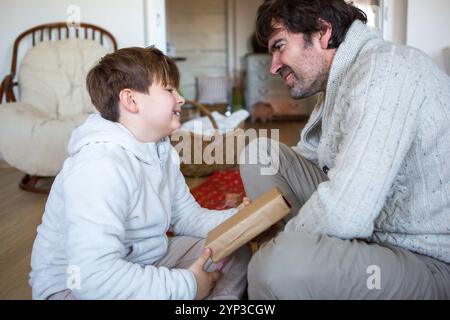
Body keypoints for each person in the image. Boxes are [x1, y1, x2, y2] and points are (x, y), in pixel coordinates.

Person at [240, 0, 450, 299]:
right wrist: (258, 216)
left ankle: (286, 268)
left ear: (322, 32)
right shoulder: (342, 76)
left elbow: (346, 213)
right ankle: (301, 264)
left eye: (280, 46)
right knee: (260, 155)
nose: (273, 66)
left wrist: (284, 241)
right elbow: (313, 156)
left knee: (273, 268)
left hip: (426, 261)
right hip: (374, 233)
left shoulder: (385, 71)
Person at [29, 47, 251, 300]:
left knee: (234, 248)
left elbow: (187, 216)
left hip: (144, 260)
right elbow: (93, 278)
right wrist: (187, 285)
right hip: (76, 289)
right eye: (169, 90)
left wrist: (239, 219)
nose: (180, 98)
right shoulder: (98, 166)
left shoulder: (160, 149)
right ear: (131, 101)